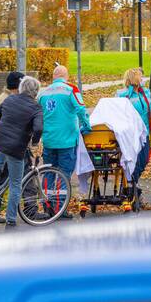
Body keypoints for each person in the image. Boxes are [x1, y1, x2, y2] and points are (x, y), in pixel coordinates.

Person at [38, 65, 90, 219]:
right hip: (66, 140)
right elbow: (81, 109)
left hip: (48, 140)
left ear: (54, 77)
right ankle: (60, 209)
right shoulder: (71, 90)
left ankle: (47, 206)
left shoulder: (43, 93)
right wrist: (86, 125)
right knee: (64, 174)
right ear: (66, 76)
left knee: (48, 173)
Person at [0, 76, 43, 230]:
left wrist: (6, 121)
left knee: (1, 172)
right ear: (36, 92)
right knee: (15, 184)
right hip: (15, 147)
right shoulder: (35, 107)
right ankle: (11, 219)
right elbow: (39, 128)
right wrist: (34, 142)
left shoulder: (10, 99)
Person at [116, 67, 151, 199]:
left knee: (144, 160)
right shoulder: (123, 95)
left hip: (144, 133)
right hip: (129, 135)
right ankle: (130, 186)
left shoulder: (145, 93)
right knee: (133, 161)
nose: (142, 79)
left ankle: (130, 184)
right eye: (140, 76)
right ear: (134, 78)